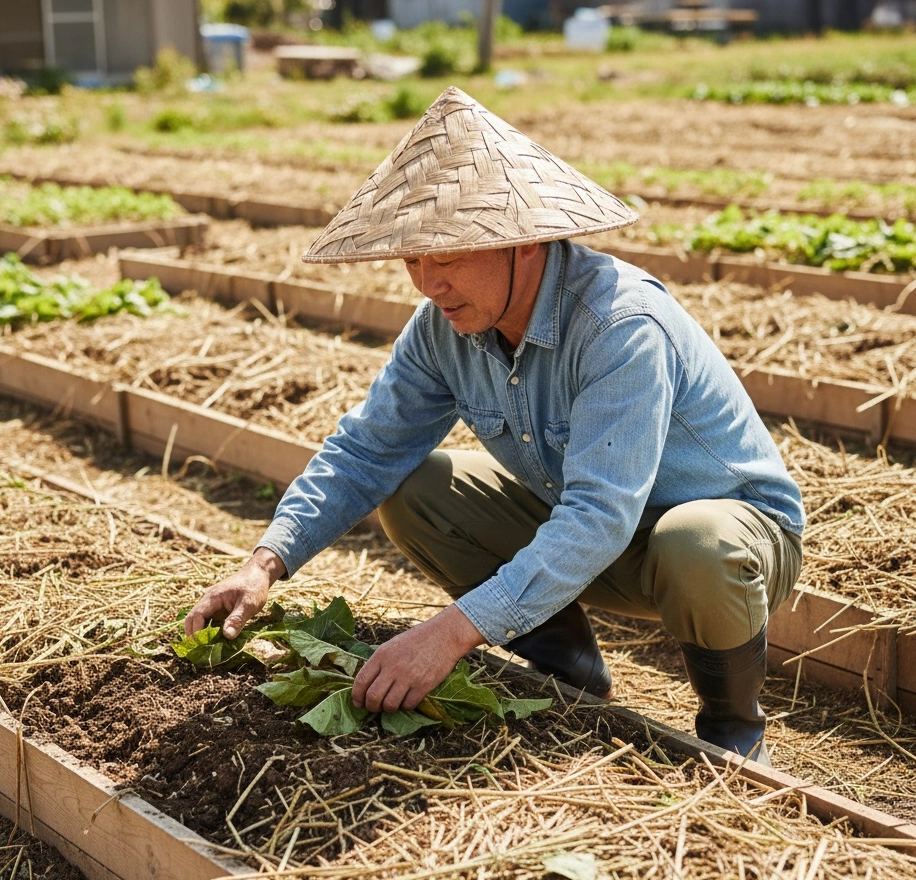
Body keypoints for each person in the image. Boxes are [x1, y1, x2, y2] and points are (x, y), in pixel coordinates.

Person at [185, 87, 805, 765]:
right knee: (416, 487)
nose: (428, 284)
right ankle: (567, 669)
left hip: (726, 550)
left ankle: (733, 728)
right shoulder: (442, 329)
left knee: (697, 539)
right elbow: (366, 449)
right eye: (412, 260)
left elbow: (601, 513)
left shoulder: (620, 326)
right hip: (596, 534)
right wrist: (264, 563)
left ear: (526, 242)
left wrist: (450, 634)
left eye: (447, 257)